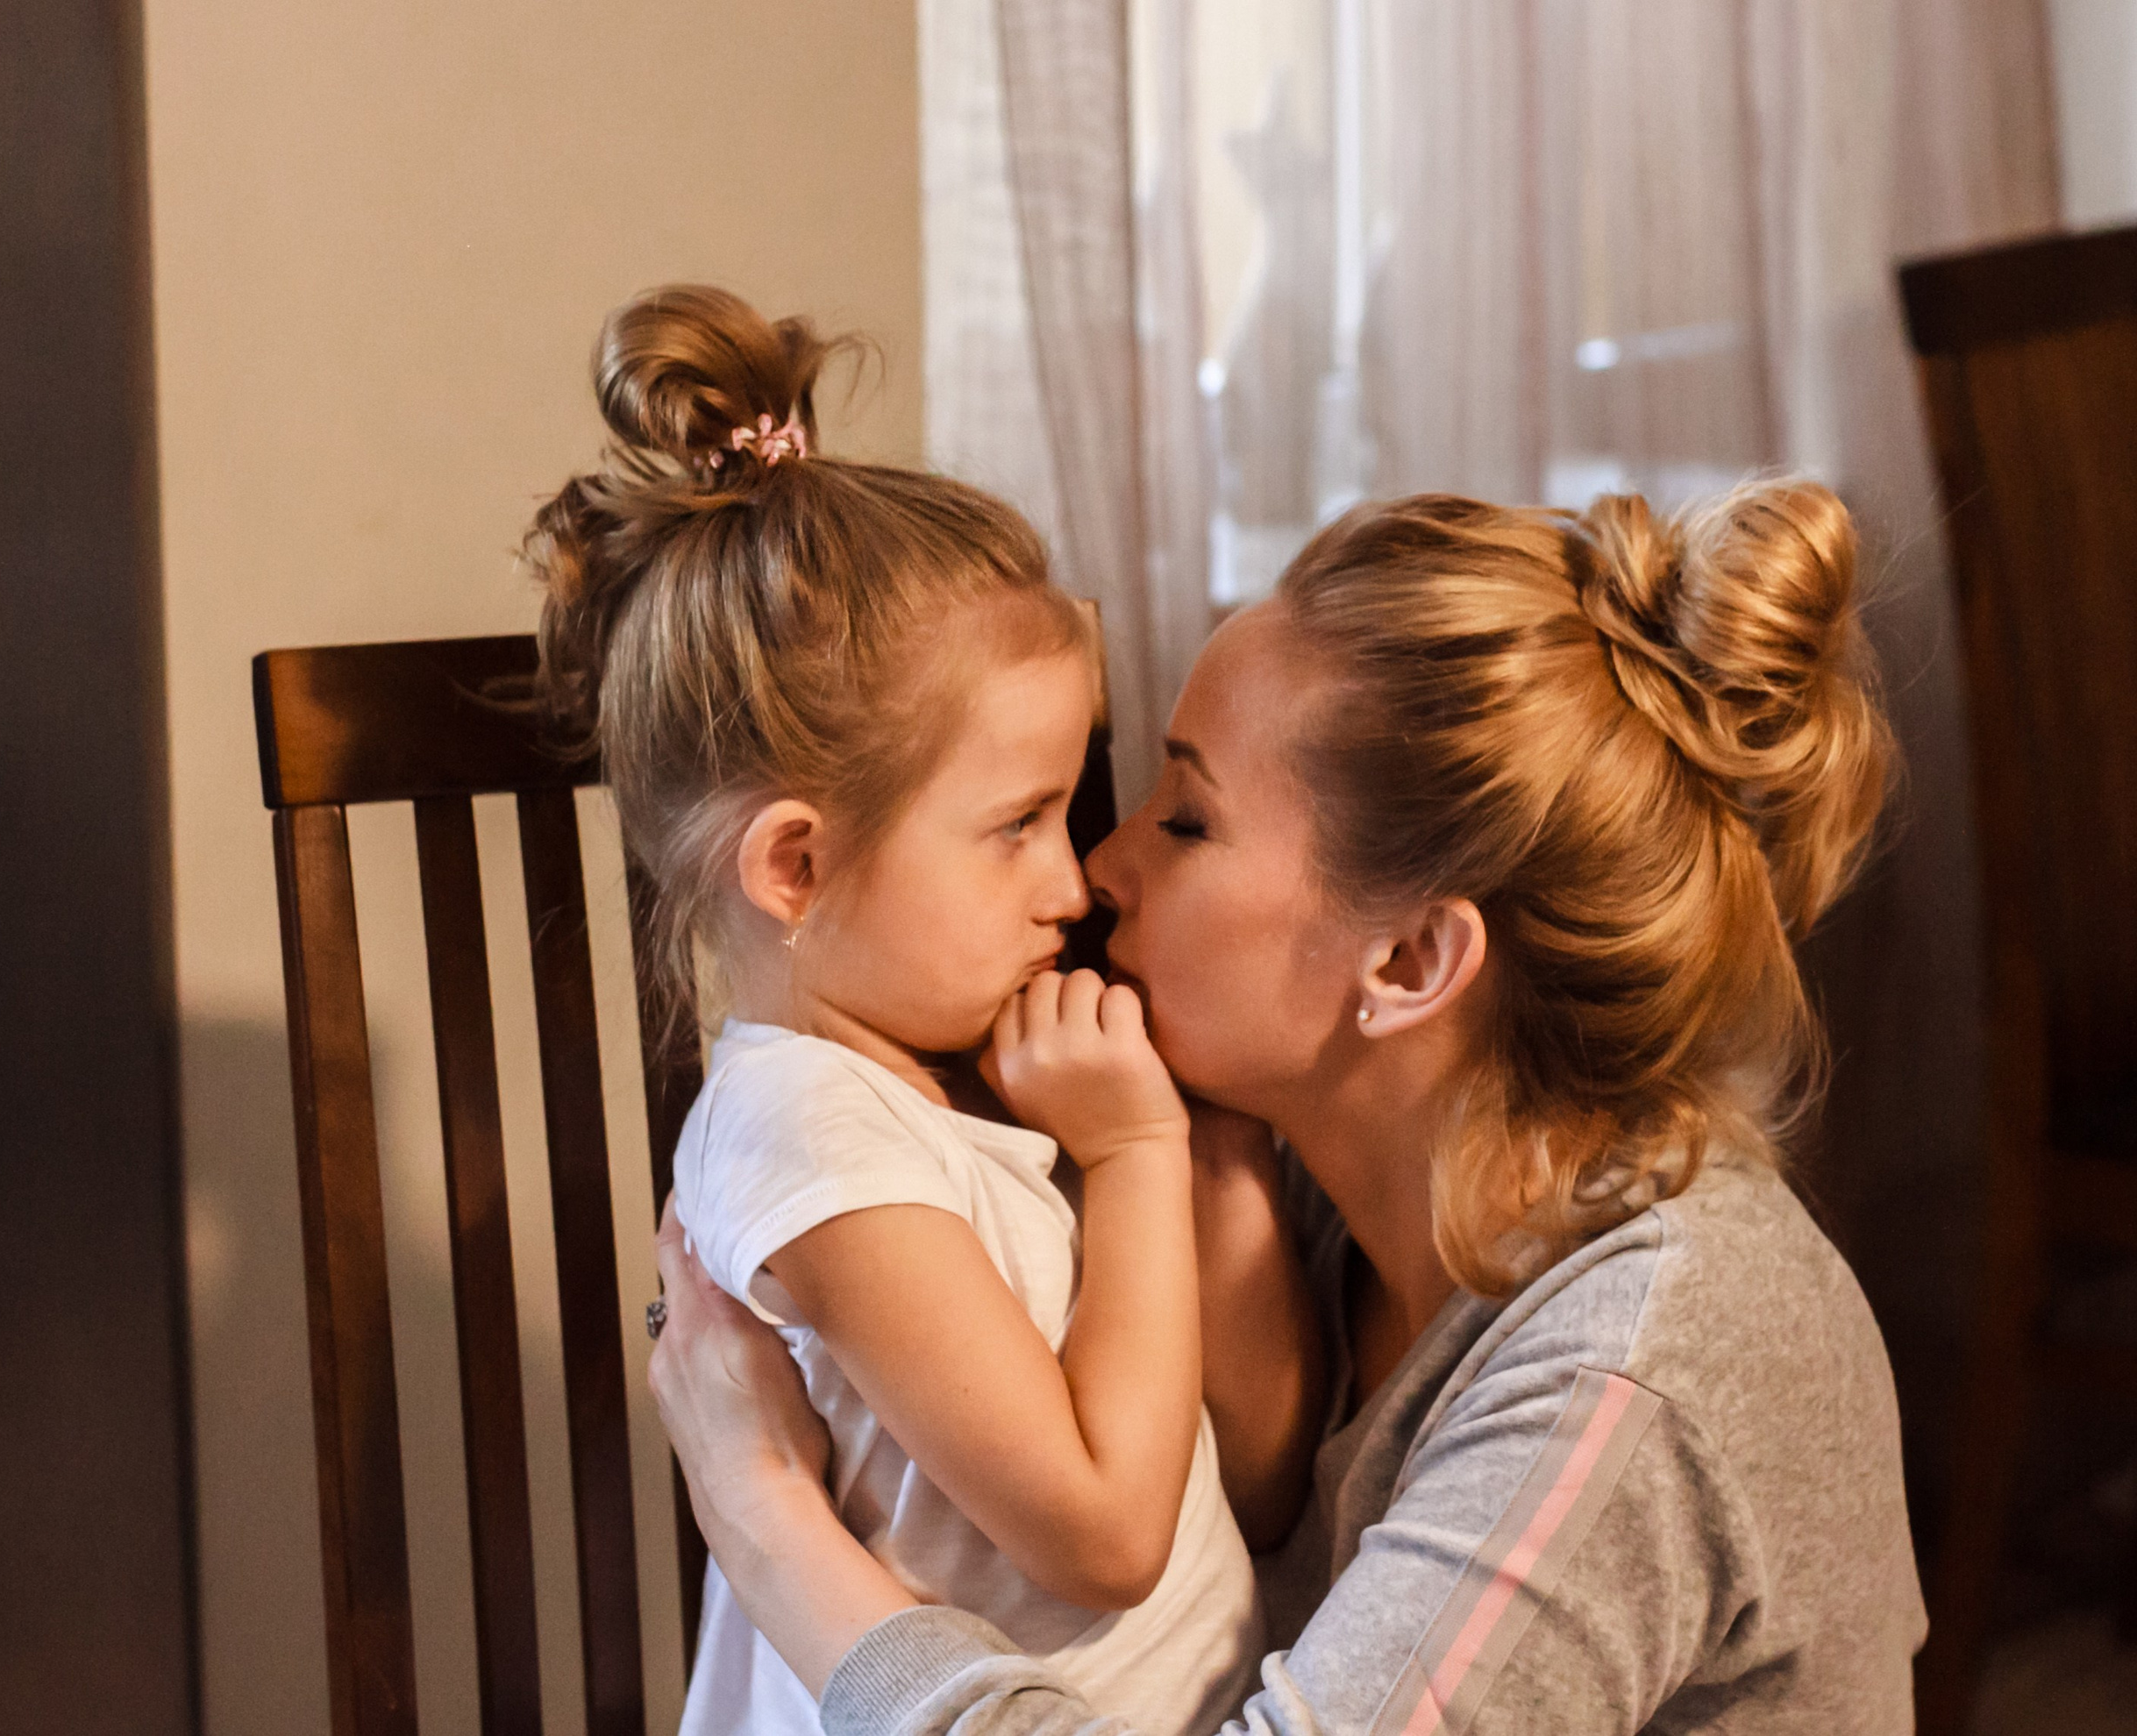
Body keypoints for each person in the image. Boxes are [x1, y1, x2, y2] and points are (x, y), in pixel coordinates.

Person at [645, 481, 1932, 1733]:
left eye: (1189, 820)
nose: (1100, 866)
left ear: (1410, 965)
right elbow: (1248, 1507)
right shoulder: (1311, 1170)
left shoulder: (1638, 1367)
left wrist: (768, 1525)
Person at [526, 285, 1265, 1736]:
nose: (1075, 879)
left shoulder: (935, 1072)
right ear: (797, 864)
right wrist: (1134, 1158)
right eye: (1019, 824)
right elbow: (1106, 1537)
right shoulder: (815, 1148)